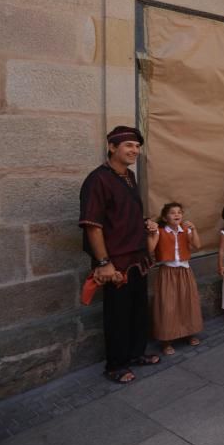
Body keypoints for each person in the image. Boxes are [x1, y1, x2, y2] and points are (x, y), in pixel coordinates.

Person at [79, 125, 160, 384]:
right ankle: (115, 365)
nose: (134, 150)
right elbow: (93, 225)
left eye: (137, 146)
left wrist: (146, 222)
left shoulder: (129, 177)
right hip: (116, 264)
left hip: (137, 258)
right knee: (117, 315)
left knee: (137, 310)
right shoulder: (97, 180)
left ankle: (136, 354)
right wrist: (103, 263)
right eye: (128, 145)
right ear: (113, 147)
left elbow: (124, 215)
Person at [149, 202, 203, 356]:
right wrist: (152, 233)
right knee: (168, 305)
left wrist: (194, 229)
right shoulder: (160, 231)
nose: (177, 215)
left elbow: (197, 245)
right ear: (165, 218)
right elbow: (150, 249)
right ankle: (167, 340)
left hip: (185, 271)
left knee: (187, 301)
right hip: (168, 272)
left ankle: (189, 333)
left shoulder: (186, 230)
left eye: (179, 212)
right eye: (172, 213)